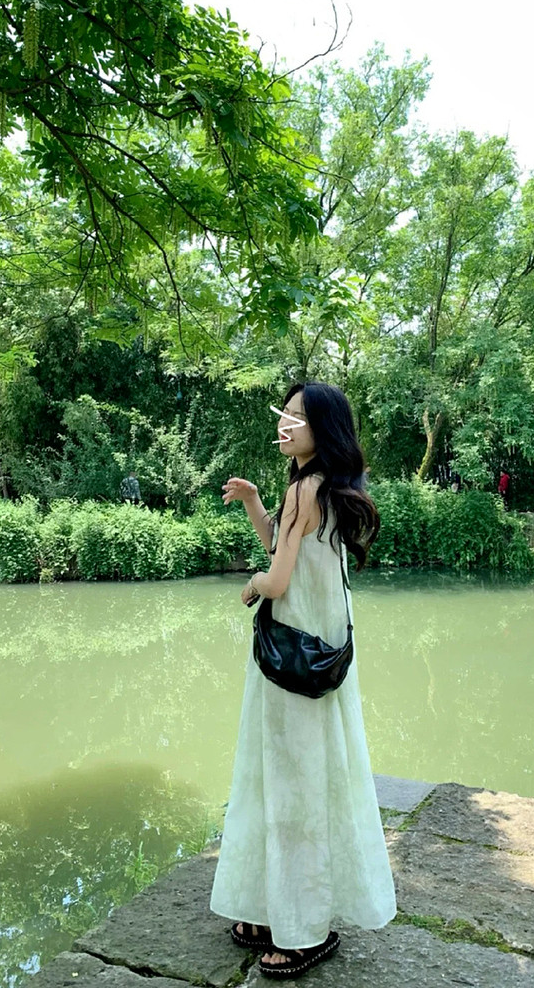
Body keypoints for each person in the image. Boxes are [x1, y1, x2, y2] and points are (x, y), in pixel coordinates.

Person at [210, 382, 396, 980]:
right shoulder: (327, 486)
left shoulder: (305, 488)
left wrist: (251, 587)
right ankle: (273, 911)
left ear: (324, 430)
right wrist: (254, 503)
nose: (286, 424)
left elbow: (278, 578)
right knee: (303, 776)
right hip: (320, 648)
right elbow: (286, 546)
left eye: (298, 418)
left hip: (291, 652)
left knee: (286, 783)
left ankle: (306, 929)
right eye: (284, 414)